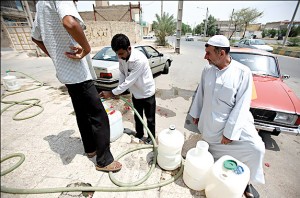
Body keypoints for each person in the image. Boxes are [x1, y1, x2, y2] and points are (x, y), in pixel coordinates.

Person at [31, 0, 122, 172]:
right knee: (99, 116)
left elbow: (36, 38)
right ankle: (104, 161)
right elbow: (69, 22)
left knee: (81, 112)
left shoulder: (41, 5)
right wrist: (87, 48)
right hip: (78, 72)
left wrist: (55, 55)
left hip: (66, 72)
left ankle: (90, 149)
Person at [189, 35, 265, 198]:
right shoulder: (207, 70)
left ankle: (246, 182)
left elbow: (242, 106)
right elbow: (200, 94)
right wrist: (196, 114)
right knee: (209, 154)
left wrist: (230, 133)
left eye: (208, 53)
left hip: (232, 123)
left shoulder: (243, 72)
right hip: (210, 124)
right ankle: (219, 176)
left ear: (221, 53)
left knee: (256, 149)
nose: (205, 57)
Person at [100, 34, 156, 145]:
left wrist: (111, 92)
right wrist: (118, 90)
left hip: (147, 92)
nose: (119, 57)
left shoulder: (139, 60)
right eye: (117, 54)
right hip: (136, 93)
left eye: (121, 54)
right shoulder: (122, 57)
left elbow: (130, 80)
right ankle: (139, 134)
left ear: (129, 48)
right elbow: (122, 73)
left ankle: (151, 138)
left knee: (150, 119)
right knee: (137, 116)